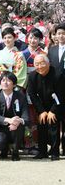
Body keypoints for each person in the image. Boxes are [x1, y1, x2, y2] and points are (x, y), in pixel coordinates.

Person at [27, 55, 62, 160]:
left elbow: (61, 95)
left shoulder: (58, 74)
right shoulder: (33, 76)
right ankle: (42, 151)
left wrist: (53, 110)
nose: (39, 66)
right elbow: (32, 95)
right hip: (42, 105)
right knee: (41, 124)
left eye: (42, 63)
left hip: (58, 104)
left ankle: (55, 152)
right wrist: (42, 111)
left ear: (48, 63)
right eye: (36, 64)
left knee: (53, 122)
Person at [0, 72, 28, 161]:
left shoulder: (21, 96)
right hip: (0, 127)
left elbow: (26, 116)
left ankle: (15, 151)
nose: (5, 83)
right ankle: (4, 148)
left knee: (19, 126)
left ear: (14, 84)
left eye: (8, 81)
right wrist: (9, 120)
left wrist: (18, 121)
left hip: (16, 128)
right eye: (3, 80)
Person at [48, 22, 65, 154]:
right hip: (54, 90)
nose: (61, 36)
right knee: (54, 120)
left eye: (63, 33)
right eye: (59, 33)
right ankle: (54, 149)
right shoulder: (51, 50)